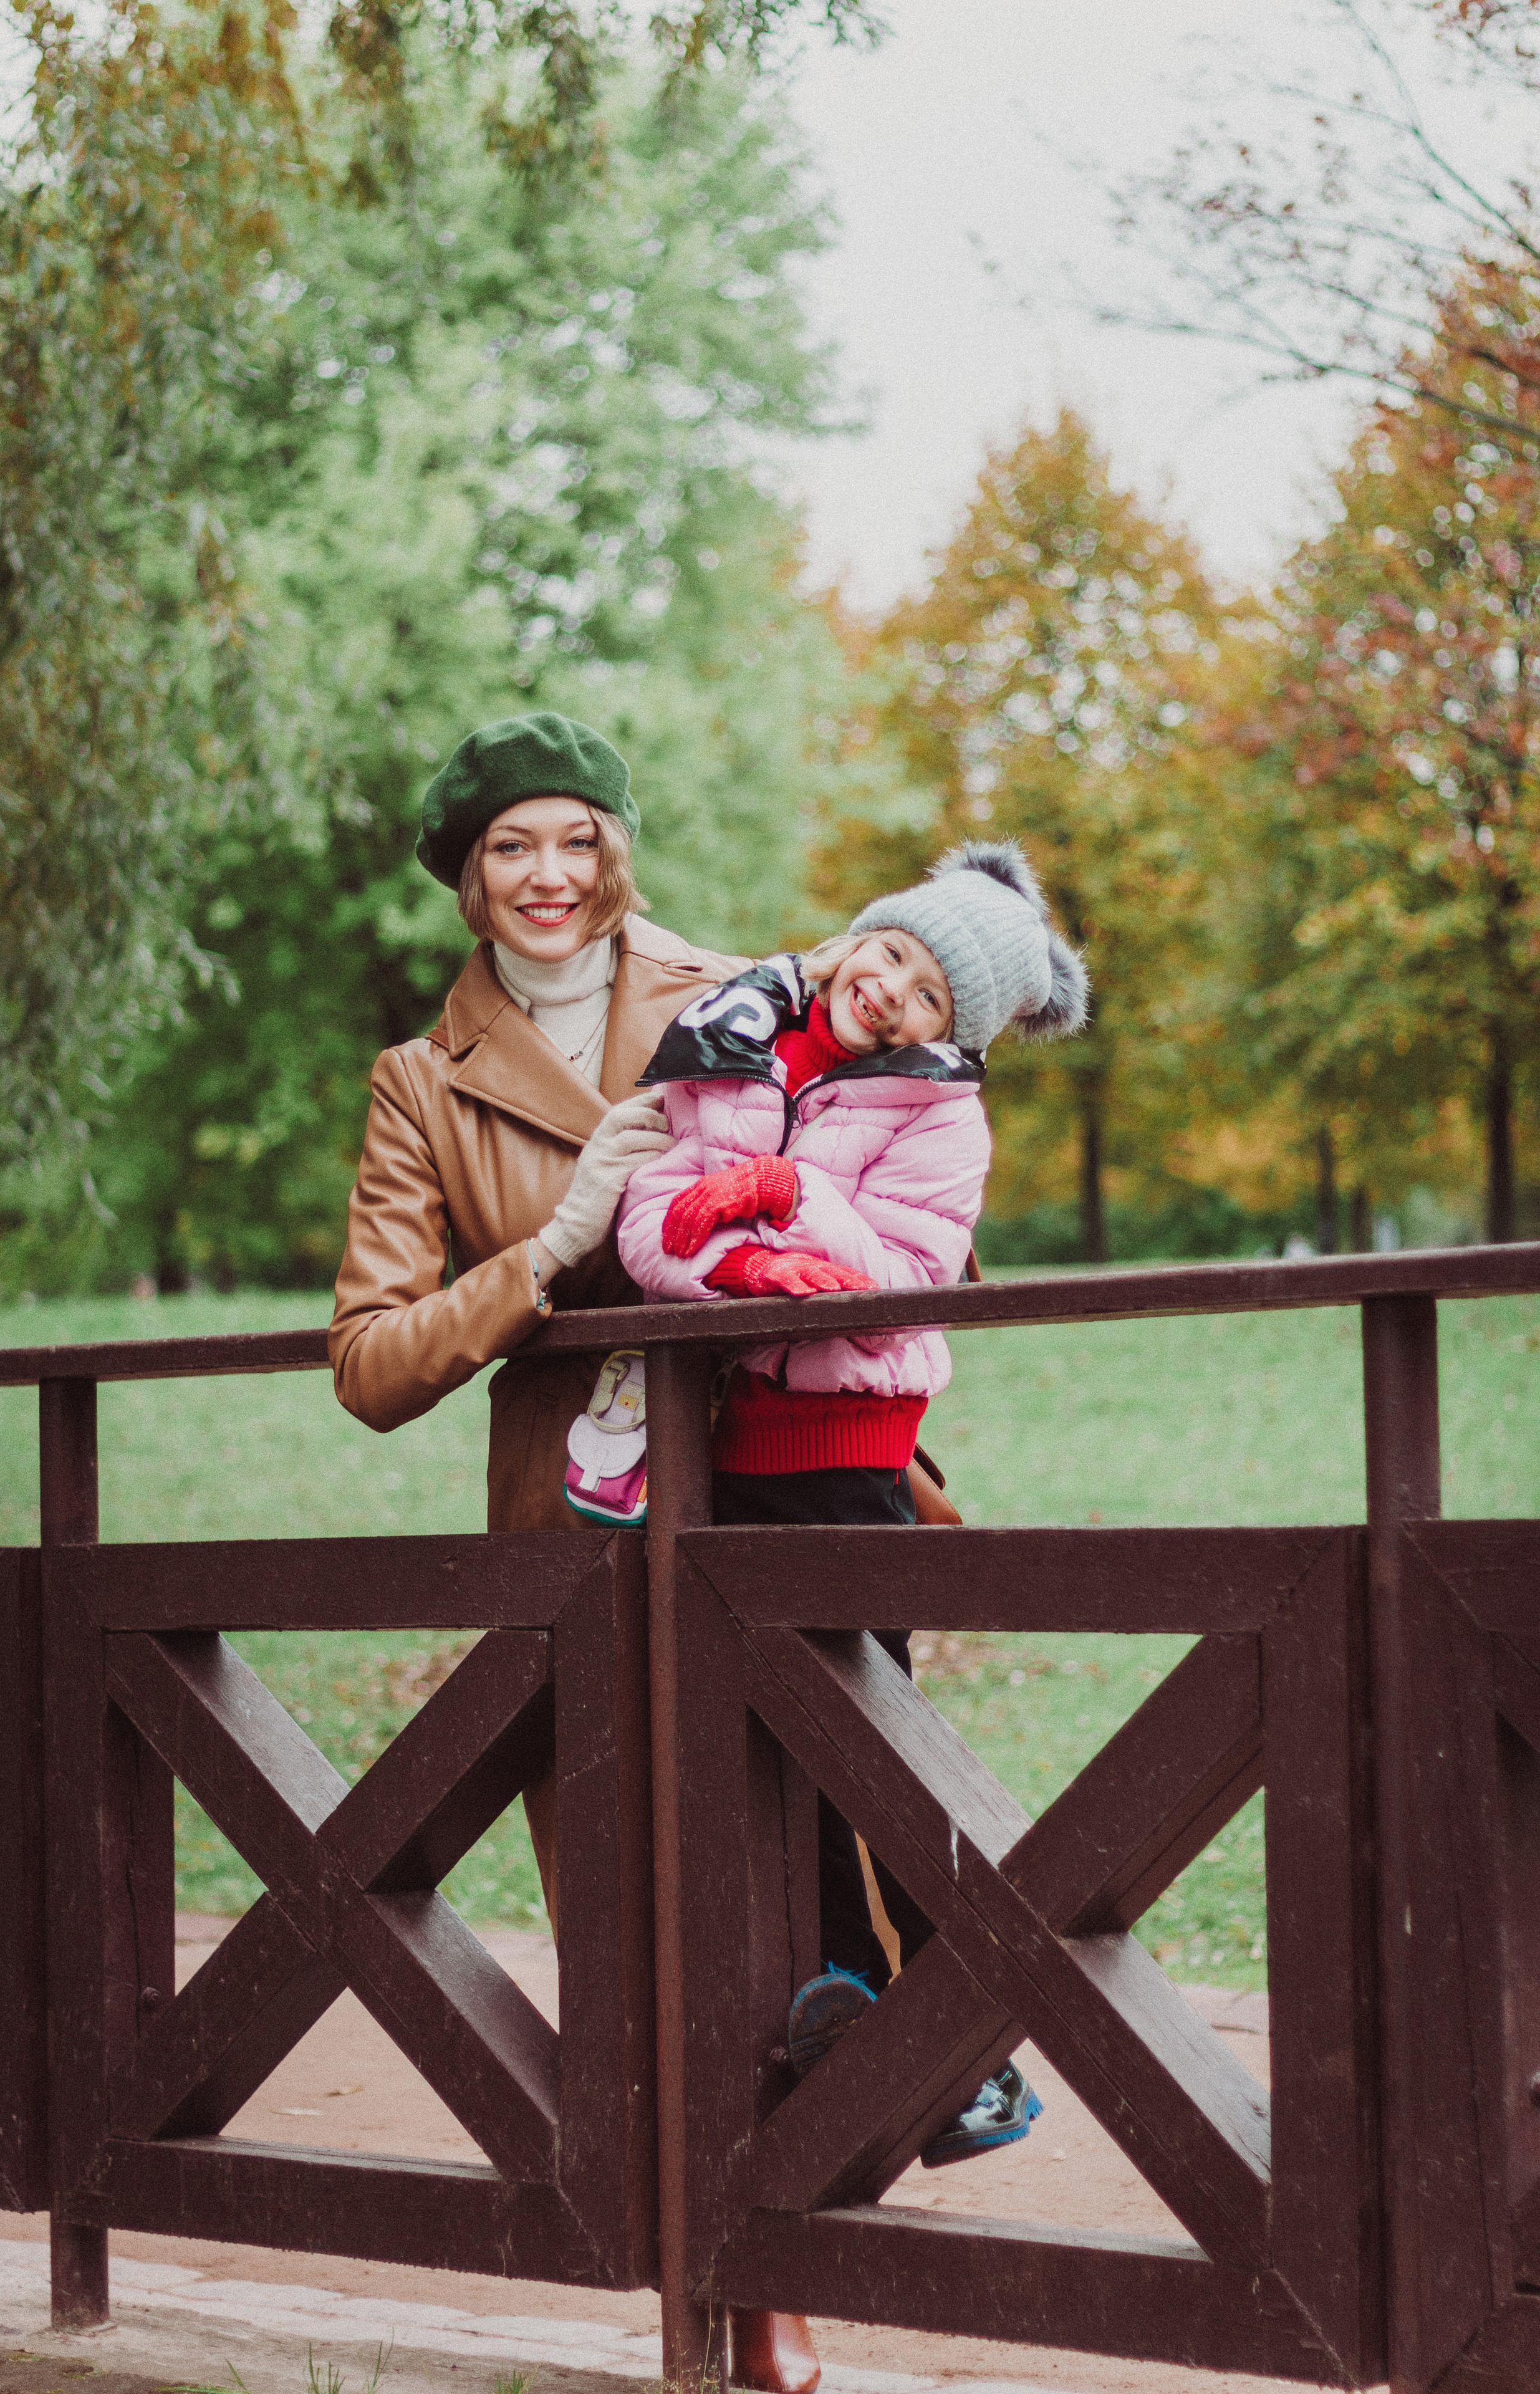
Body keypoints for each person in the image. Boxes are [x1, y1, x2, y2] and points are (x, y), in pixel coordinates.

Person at [329, 711, 819, 2394]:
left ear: (619, 845)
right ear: (467, 881)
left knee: (803, 1889)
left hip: (774, 1499)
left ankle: (778, 2267)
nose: (550, 879)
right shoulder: (421, 1083)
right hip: (576, 1549)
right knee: (630, 1926)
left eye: (575, 840)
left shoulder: (743, 991)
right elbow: (374, 1363)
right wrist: (547, 1247)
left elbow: (868, 1194)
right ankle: (716, 2279)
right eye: (509, 851)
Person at [616, 842, 1088, 2219]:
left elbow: (890, 1289)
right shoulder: (736, 1042)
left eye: (932, 996)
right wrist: (744, 1259)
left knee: (872, 1752)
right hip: (726, 1469)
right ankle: (852, 2015)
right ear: (854, 936)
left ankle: (970, 2037)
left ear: (956, 1036)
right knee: (780, 1759)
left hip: (847, 1466)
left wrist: (781, 1199)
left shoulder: (940, 1119)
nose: (892, 991)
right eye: (889, 955)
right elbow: (657, 1228)